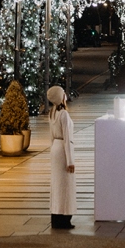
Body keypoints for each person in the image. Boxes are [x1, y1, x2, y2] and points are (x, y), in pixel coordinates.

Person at [47, 85, 76, 229]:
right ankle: (65, 218)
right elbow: (68, 137)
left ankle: (55, 217)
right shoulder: (63, 114)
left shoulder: (52, 113)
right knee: (65, 185)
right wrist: (70, 161)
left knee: (56, 185)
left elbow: (52, 136)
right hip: (63, 151)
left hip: (55, 149)